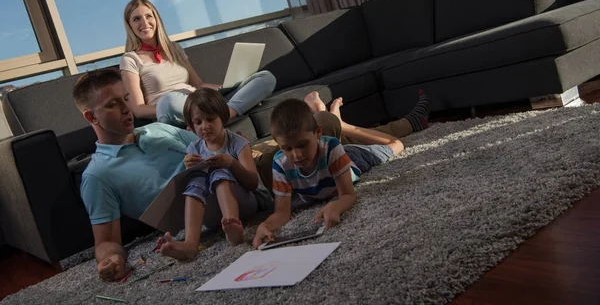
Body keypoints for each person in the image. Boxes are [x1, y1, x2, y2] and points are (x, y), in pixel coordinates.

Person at [73, 69, 268, 281]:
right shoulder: (97, 176)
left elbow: (212, 144)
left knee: (286, 147)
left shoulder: (158, 129)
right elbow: (106, 241)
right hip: (204, 210)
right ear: (92, 116)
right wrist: (111, 258)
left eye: (126, 99)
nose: (126, 109)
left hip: (237, 182)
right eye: (112, 104)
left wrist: (239, 148)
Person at [252, 98, 408, 249]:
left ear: (318, 132)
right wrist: (266, 225)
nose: (297, 155)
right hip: (328, 157)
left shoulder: (332, 148)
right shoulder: (280, 164)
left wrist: (338, 205)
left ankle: (342, 125)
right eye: (288, 148)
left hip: (352, 158)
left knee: (396, 145)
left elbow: (348, 195)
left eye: (302, 145)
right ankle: (328, 115)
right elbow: (282, 213)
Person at [119, 0, 276, 127]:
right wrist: (169, 107)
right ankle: (222, 112)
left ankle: (226, 112)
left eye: (148, 16)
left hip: (200, 100)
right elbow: (138, 109)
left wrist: (227, 88)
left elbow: (198, 85)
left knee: (265, 77)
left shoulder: (174, 49)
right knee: (169, 100)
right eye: (136, 19)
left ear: (156, 19)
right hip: (175, 111)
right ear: (130, 25)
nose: (144, 22)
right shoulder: (130, 59)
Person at [155, 88, 260, 260]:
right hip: (212, 215)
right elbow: (190, 188)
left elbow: (254, 183)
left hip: (244, 206)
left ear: (223, 117)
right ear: (191, 126)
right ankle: (190, 244)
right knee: (196, 177)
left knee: (220, 169)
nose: (205, 126)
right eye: (198, 122)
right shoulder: (194, 148)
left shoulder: (238, 143)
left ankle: (232, 225)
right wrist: (187, 167)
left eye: (210, 119)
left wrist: (232, 164)